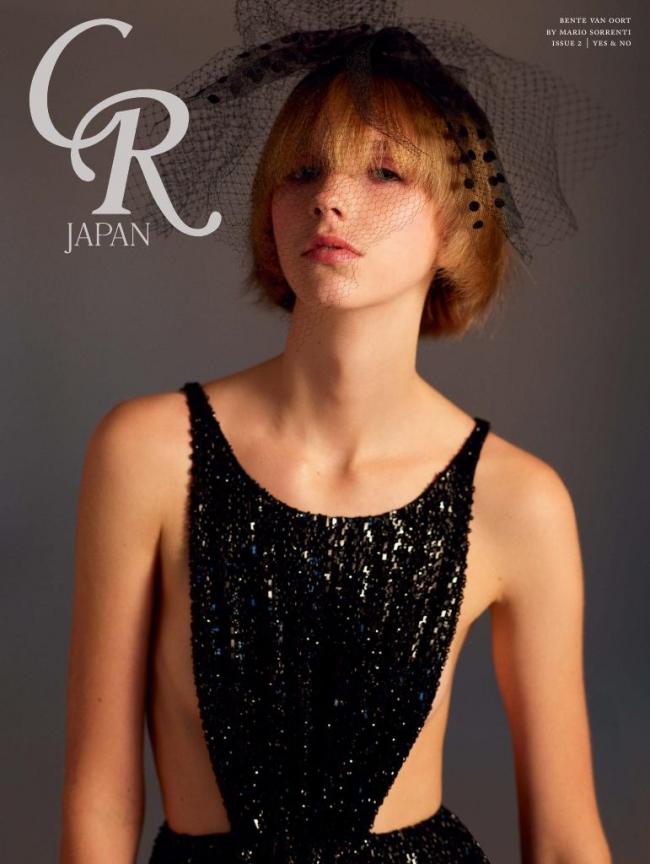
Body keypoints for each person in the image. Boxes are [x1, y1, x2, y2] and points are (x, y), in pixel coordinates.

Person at [59, 4, 617, 863]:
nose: (329, 198)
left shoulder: (519, 499)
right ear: (269, 209)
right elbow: (99, 801)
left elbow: (568, 839)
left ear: (456, 226)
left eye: (385, 173)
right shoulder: (146, 451)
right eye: (302, 170)